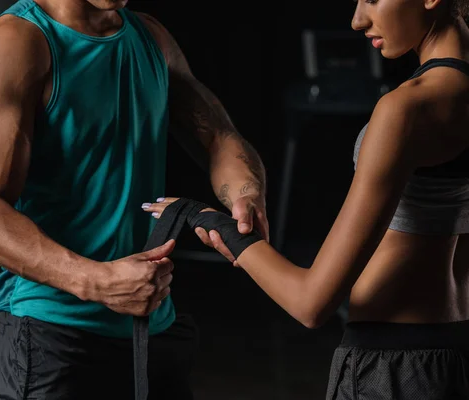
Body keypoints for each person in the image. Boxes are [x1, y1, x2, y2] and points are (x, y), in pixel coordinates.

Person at [143, 0, 469, 398]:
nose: (357, 19)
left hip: (394, 365)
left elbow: (310, 302)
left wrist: (212, 223)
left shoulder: (406, 109)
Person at [0, 0, 268, 399]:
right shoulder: (15, 45)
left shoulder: (151, 37)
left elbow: (218, 134)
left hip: (150, 325)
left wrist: (245, 193)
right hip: (52, 331)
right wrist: (97, 282)